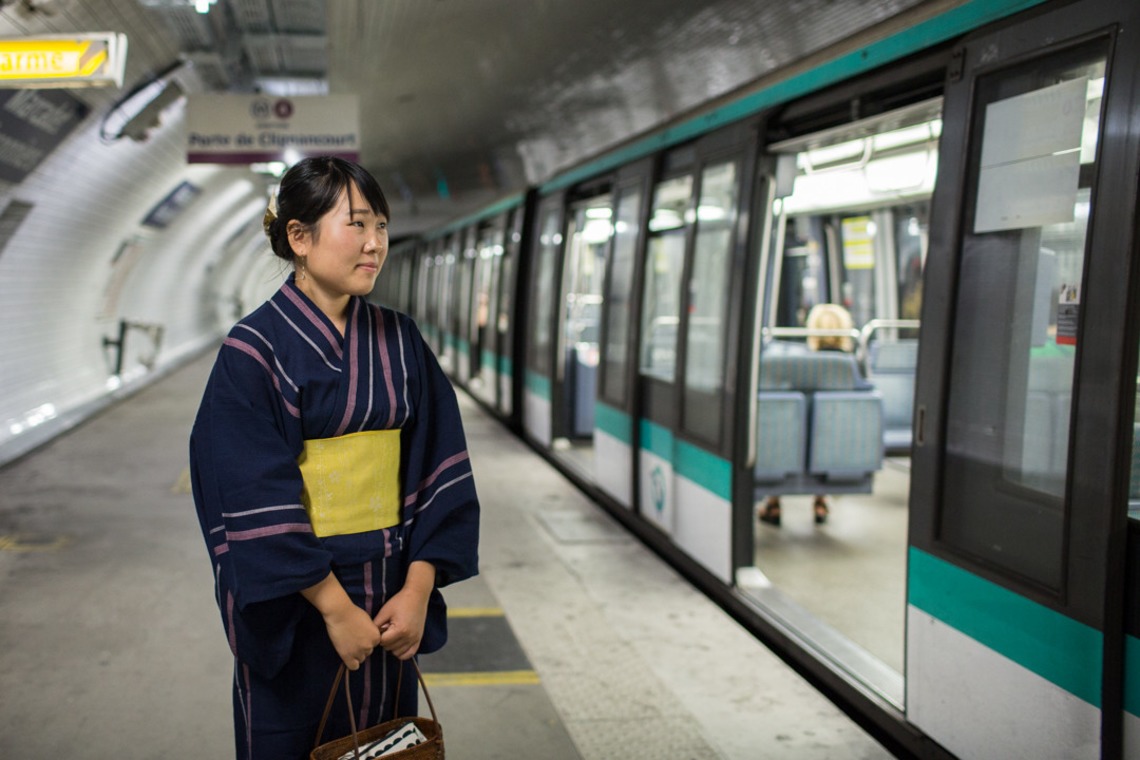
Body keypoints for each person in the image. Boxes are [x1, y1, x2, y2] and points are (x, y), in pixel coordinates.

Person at [189, 156, 480, 759]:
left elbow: (438, 465)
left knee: (387, 744)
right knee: (294, 738)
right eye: (357, 225)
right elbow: (249, 494)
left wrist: (419, 589)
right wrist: (332, 607)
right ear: (299, 237)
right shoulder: (252, 353)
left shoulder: (403, 340)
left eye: (380, 226)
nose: (374, 244)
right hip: (301, 607)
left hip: (392, 597)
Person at [758, 302, 855, 527]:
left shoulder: (798, 366)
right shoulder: (852, 369)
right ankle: (820, 500)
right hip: (836, 443)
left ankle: (773, 501)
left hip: (792, 444)